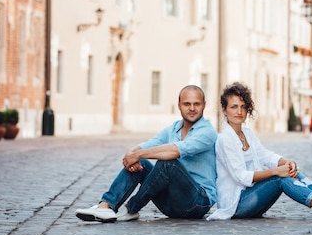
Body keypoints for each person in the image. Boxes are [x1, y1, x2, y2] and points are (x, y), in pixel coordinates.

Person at [207, 82, 312, 221]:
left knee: (291, 171)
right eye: (234, 107)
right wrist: (276, 171)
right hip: (236, 205)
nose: (239, 111)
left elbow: (266, 155)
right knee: (280, 177)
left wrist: (285, 162)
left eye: (243, 106)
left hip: (252, 199)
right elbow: (241, 176)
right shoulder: (225, 139)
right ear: (224, 110)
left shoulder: (247, 134)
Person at [76, 85, 217, 223]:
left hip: (197, 203)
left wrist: (138, 155)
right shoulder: (173, 128)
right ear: (179, 105)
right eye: (187, 104)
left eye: (196, 104)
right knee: (142, 163)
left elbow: (176, 150)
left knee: (167, 163)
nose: (192, 108)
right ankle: (106, 206)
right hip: (170, 205)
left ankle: (130, 208)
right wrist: (131, 155)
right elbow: (151, 144)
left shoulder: (207, 132)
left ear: (204, 105)